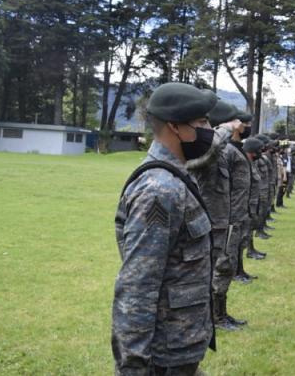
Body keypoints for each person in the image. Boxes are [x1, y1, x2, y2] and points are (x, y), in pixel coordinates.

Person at [112, 82, 217, 374]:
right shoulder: (160, 190)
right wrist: (134, 365)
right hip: (164, 354)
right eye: (202, 122)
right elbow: (137, 284)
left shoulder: (177, 174)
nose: (210, 129)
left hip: (181, 343)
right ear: (175, 128)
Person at [187, 100, 243, 332]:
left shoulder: (223, 151)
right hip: (208, 223)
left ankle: (215, 316)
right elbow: (211, 148)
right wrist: (226, 128)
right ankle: (212, 318)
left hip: (223, 222)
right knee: (208, 275)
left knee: (219, 271)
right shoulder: (207, 151)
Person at [230, 110, 256, 286]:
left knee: (239, 244)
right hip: (231, 211)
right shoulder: (228, 151)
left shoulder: (238, 150)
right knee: (230, 251)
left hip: (242, 208)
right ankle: (235, 272)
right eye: (245, 124)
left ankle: (239, 270)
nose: (247, 127)